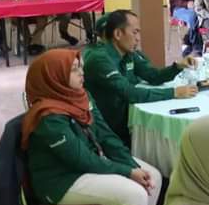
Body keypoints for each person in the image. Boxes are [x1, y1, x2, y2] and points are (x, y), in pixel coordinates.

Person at [23, 49, 162, 205]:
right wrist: (127, 172)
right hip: (62, 181)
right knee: (135, 196)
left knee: (153, 177)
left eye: (81, 67)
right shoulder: (48, 117)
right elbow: (80, 159)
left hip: (91, 161)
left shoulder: (81, 96)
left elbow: (105, 135)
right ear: (54, 76)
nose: (82, 72)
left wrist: (132, 165)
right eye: (74, 69)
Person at [83, 10, 198, 145]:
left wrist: (178, 66)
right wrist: (173, 93)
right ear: (118, 34)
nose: (138, 38)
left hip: (128, 120)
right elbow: (129, 92)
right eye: (135, 32)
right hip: (107, 131)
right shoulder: (99, 59)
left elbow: (153, 76)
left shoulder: (128, 53)